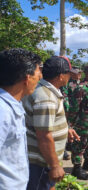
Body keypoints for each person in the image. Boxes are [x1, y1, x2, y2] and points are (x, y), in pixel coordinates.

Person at [22, 56, 80, 190]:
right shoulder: (46, 97)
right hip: (41, 162)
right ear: (60, 76)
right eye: (68, 74)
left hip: (42, 160)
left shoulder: (46, 90)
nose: (69, 77)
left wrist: (66, 130)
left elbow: (44, 123)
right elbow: (44, 135)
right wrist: (54, 166)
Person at [0, 48, 42, 190]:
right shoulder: (2, 111)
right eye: (38, 73)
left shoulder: (14, 103)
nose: (40, 77)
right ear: (27, 78)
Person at [60, 67, 82, 160]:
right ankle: (63, 149)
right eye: (77, 73)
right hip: (68, 110)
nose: (79, 75)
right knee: (65, 128)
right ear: (72, 74)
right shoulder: (67, 83)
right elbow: (64, 96)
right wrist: (67, 109)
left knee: (72, 128)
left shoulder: (80, 83)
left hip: (77, 110)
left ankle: (70, 144)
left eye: (80, 73)